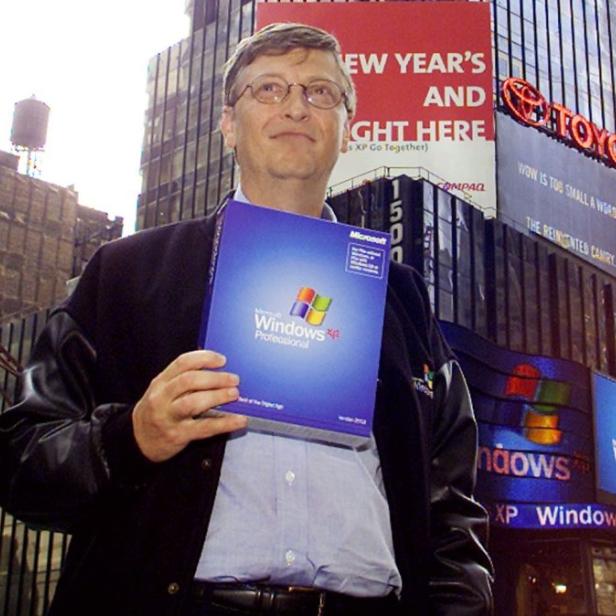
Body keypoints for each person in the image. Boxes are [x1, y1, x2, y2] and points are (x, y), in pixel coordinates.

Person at [0, 23, 493, 616]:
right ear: (229, 125)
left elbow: (453, 505)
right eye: (269, 90)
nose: (295, 106)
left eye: (320, 92)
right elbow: (22, 459)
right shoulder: (125, 273)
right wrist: (129, 437)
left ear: (347, 129)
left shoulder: (403, 298)